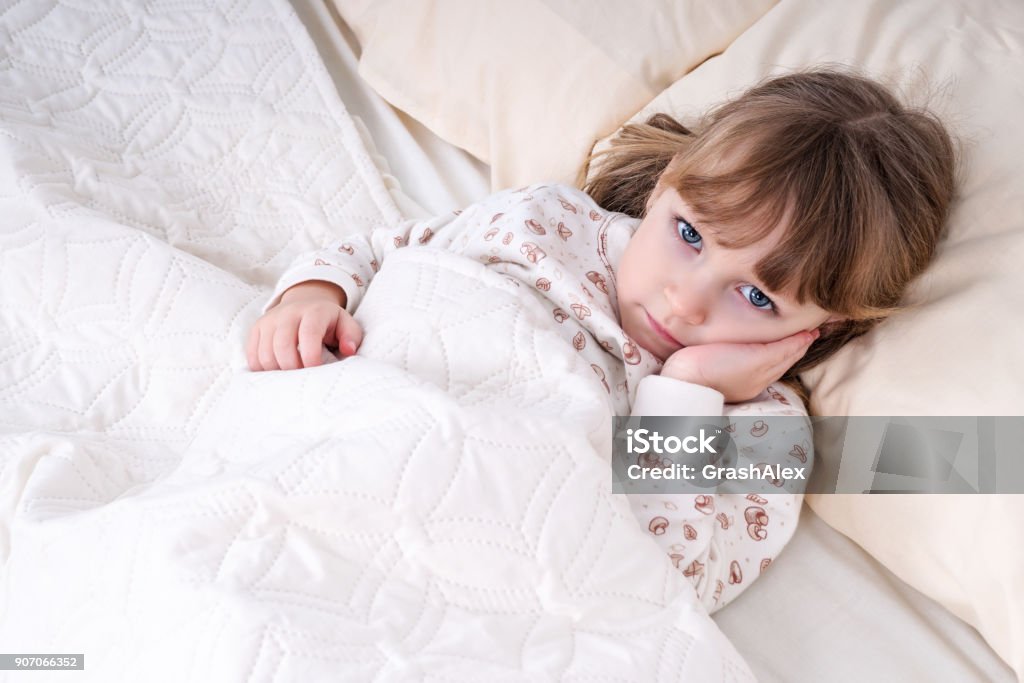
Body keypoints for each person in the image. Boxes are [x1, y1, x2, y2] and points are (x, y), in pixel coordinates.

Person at [245, 68, 956, 612]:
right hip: (360, 444)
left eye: (756, 296)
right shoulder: (547, 221)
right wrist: (314, 294)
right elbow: (389, 250)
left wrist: (688, 394)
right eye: (688, 234)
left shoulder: (763, 429)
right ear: (665, 186)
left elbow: (664, 580)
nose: (686, 299)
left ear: (818, 329)